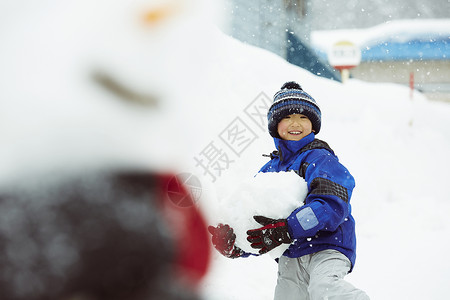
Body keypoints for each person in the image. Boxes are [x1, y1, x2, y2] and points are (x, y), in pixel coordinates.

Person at [208, 81, 369, 300]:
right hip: (291, 254)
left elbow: (330, 204)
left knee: (324, 290)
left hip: (327, 247)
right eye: (288, 117)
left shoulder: (320, 159)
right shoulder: (269, 171)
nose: (296, 123)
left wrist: (289, 228)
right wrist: (237, 244)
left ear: (314, 126)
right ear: (276, 125)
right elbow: (256, 221)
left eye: (304, 118)